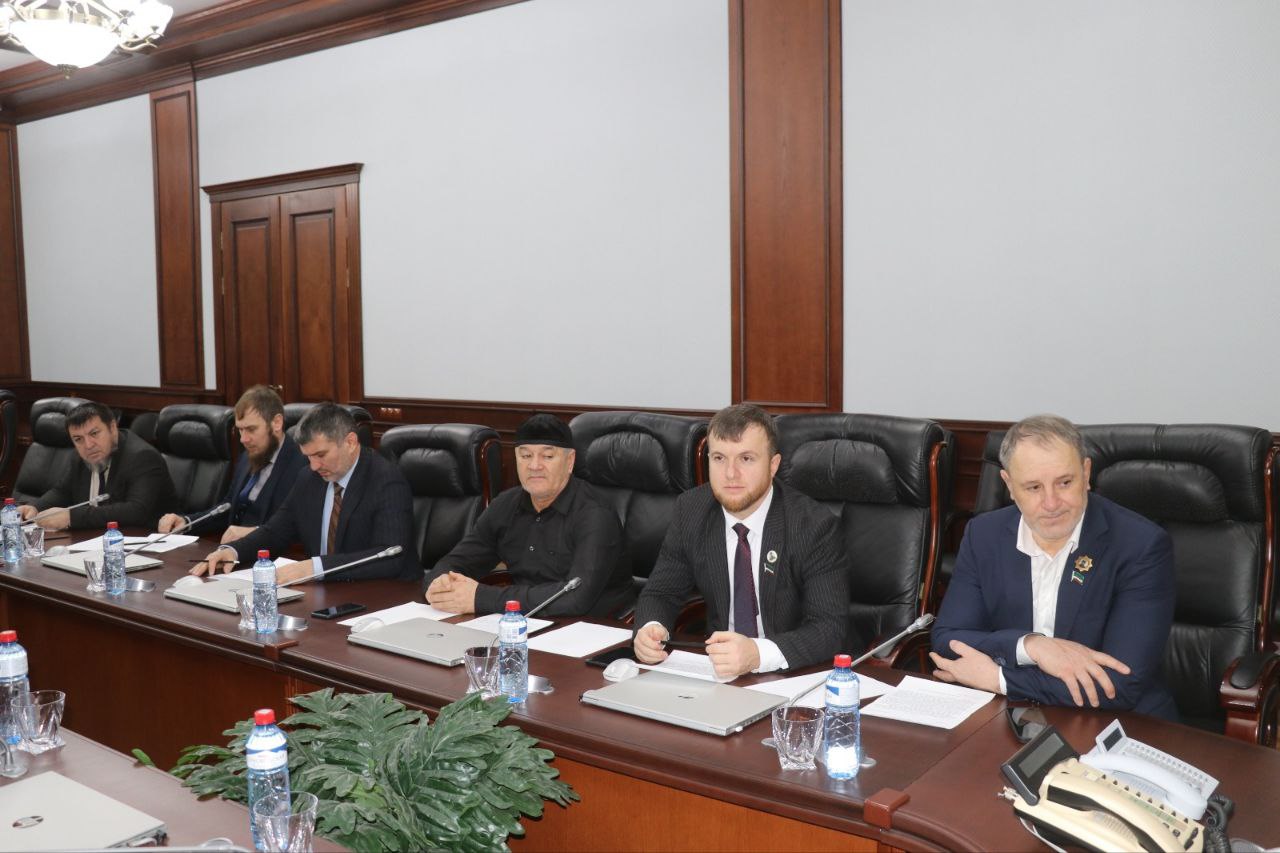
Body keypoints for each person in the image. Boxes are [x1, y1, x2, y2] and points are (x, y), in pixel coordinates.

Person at [930, 414, 1178, 720]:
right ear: (1009, 485)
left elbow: (1119, 684)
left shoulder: (1141, 545)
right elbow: (948, 639)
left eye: (1064, 483)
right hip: (1010, 719)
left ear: (1086, 473)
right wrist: (1032, 646)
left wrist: (999, 678)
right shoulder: (984, 534)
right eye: (1033, 487)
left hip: (1117, 723)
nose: (1051, 503)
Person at [633, 404, 849, 679]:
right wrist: (651, 628)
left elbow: (829, 628)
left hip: (794, 674)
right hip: (719, 672)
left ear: (773, 465)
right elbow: (661, 592)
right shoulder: (691, 510)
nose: (730, 474)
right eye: (719, 458)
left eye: (746, 459)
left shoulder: (813, 526)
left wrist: (757, 654)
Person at [424, 414, 631, 617]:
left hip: (595, 625)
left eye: (547, 456)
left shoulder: (596, 514)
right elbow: (458, 561)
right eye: (525, 456)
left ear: (570, 461)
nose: (534, 466)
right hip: (525, 621)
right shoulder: (505, 505)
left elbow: (576, 598)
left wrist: (480, 598)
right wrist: (440, 584)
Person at [191, 402, 417, 584]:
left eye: (320, 455)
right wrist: (233, 551)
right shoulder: (308, 478)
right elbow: (276, 531)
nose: (314, 466)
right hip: (327, 593)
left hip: (384, 595)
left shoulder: (386, 480)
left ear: (350, 442)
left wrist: (315, 567)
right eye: (308, 457)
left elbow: (390, 556)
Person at [157, 385, 306, 544]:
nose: (243, 439)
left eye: (251, 429)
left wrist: (255, 533)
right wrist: (187, 523)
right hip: (233, 550)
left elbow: (300, 526)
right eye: (240, 430)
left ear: (276, 422)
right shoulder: (248, 456)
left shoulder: (303, 464)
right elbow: (227, 508)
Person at [19, 401, 178, 531]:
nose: (88, 445)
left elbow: (136, 511)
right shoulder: (80, 456)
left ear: (112, 428)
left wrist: (71, 517)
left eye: (94, 433)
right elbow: (63, 491)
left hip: (147, 541)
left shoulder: (142, 456)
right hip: (97, 539)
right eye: (78, 439)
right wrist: (35, 508)